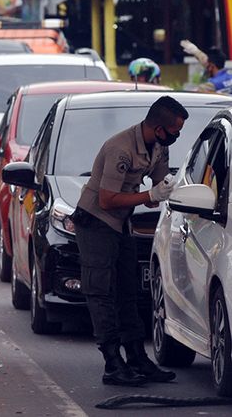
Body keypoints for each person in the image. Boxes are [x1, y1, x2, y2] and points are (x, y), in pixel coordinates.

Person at [73, 95, 188, 387]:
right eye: (175, 131)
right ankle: (113, 363)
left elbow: (158, 185)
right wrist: (149, 196)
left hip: (122, 222)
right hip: (96, 221)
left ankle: (136, 357)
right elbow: (107, 199)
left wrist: (166, 189)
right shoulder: (120, 148)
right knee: (102, 292)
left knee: (129, 291)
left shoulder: (159, 146)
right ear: (159, 128)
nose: (178, 136)